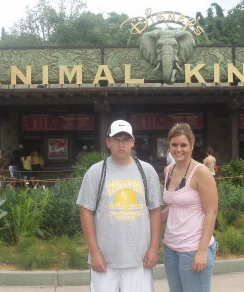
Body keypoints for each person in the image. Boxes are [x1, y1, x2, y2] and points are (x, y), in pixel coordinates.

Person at [76, 119, 162, 292]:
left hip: (139, 260)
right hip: (105, 260)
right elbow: (86, 212)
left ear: (133, 141)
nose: (120, 144)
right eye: (116, 139)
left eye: (125, 139)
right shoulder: (95, 172)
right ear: (108, 142)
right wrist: (94, 253)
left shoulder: (147, 171)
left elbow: (155, 211)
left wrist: (154, 248)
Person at [162, 123, 218, 292]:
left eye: (183, 145)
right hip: (170, 248)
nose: (179, 149)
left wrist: (202, 252)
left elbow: (211, 212)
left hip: (193, 249)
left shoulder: (201, 172)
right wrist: (148, 218)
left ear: (192, 146)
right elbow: (174, 206)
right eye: (174, 145)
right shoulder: (168, 170)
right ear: (169, 146)